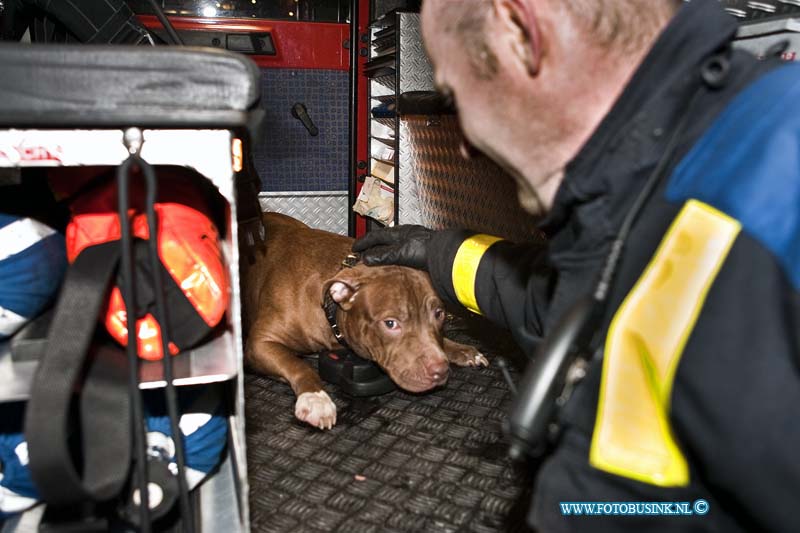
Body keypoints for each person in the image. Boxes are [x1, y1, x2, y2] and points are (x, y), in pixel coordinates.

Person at [352, 0, 800, 531]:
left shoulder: (779, 180)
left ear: (520, 33)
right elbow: (579, 302)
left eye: (456, 97)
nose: (466, 145)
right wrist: (437, 252)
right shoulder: (667, 171)